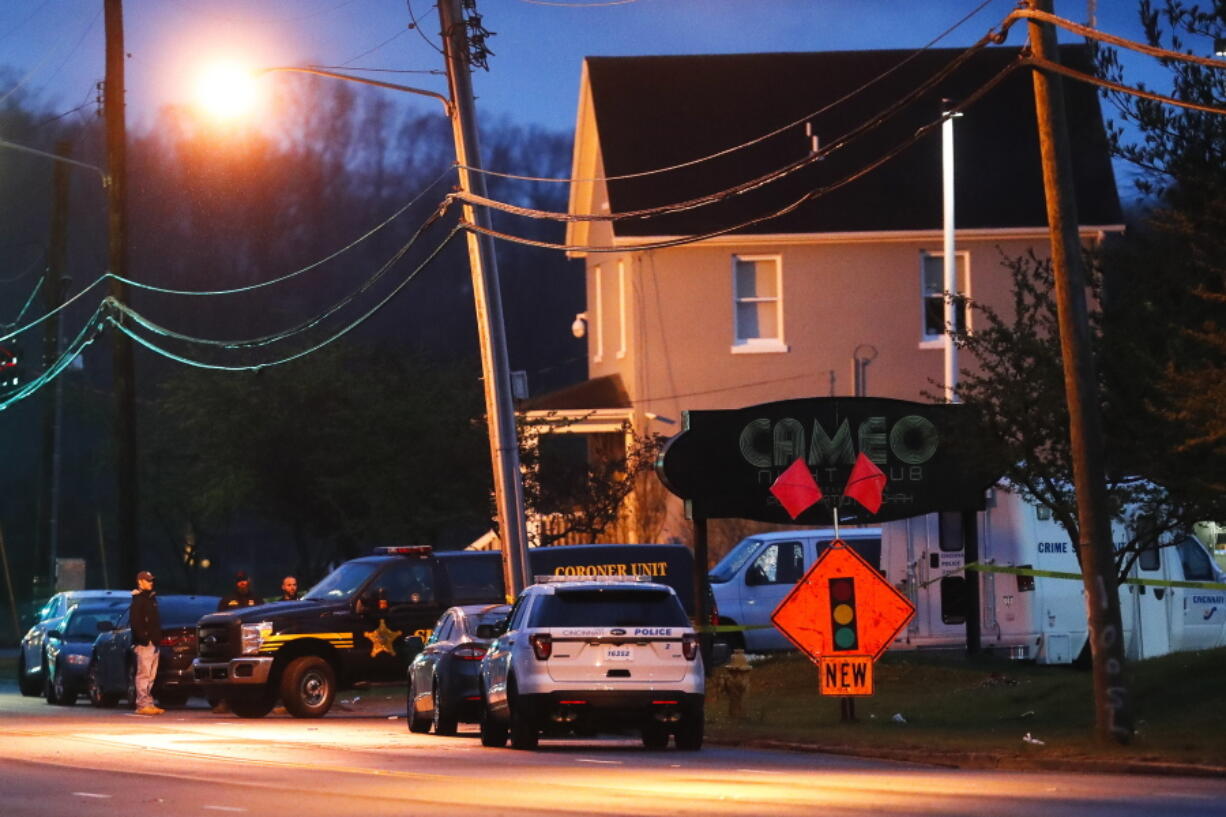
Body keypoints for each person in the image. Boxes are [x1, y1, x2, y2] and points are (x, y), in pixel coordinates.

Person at [130, 570, 163, 715]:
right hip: (145, 644)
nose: (151, 583)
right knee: (144, 674)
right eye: (148, 580)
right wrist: (144, 639)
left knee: (151, 675)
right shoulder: (138, 600)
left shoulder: (151, 599)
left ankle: (148, 702)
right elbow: (136, 623)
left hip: (154, 643)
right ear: (140, 582)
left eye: (151, 580)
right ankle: (142, 704)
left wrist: (156, 639)